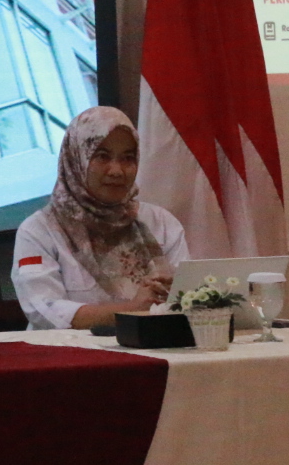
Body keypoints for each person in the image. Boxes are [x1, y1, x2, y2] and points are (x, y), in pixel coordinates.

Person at [12, 106, 188, 330]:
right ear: (76, 158)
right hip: (69, 349)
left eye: (128, 158)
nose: (117, 171)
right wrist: (132, 310)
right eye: (102, 156)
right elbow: (44, 311)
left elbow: (189, 295)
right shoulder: (38, 230)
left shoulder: (160, 222)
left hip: (157, 343)